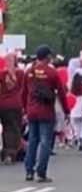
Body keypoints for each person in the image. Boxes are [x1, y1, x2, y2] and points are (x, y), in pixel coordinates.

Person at [21, 45, 69, 182]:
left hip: (31, 111)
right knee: (45, 141)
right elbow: (61, 93)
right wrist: (66, 111)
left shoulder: (29, 72)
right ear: (47, 57)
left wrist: (24, 110)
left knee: (32, 141)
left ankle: (29, 171)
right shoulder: (52, 73)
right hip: (46, 111)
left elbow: (24, 93)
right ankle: (41, 172)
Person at [0, 54, 23, 165]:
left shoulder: (2, 74)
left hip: (2, 104)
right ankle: (11, 153)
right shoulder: (20, 73)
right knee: (14, 129)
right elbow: (23, 89)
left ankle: (4, 151)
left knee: (5, 128)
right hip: (16, 104)